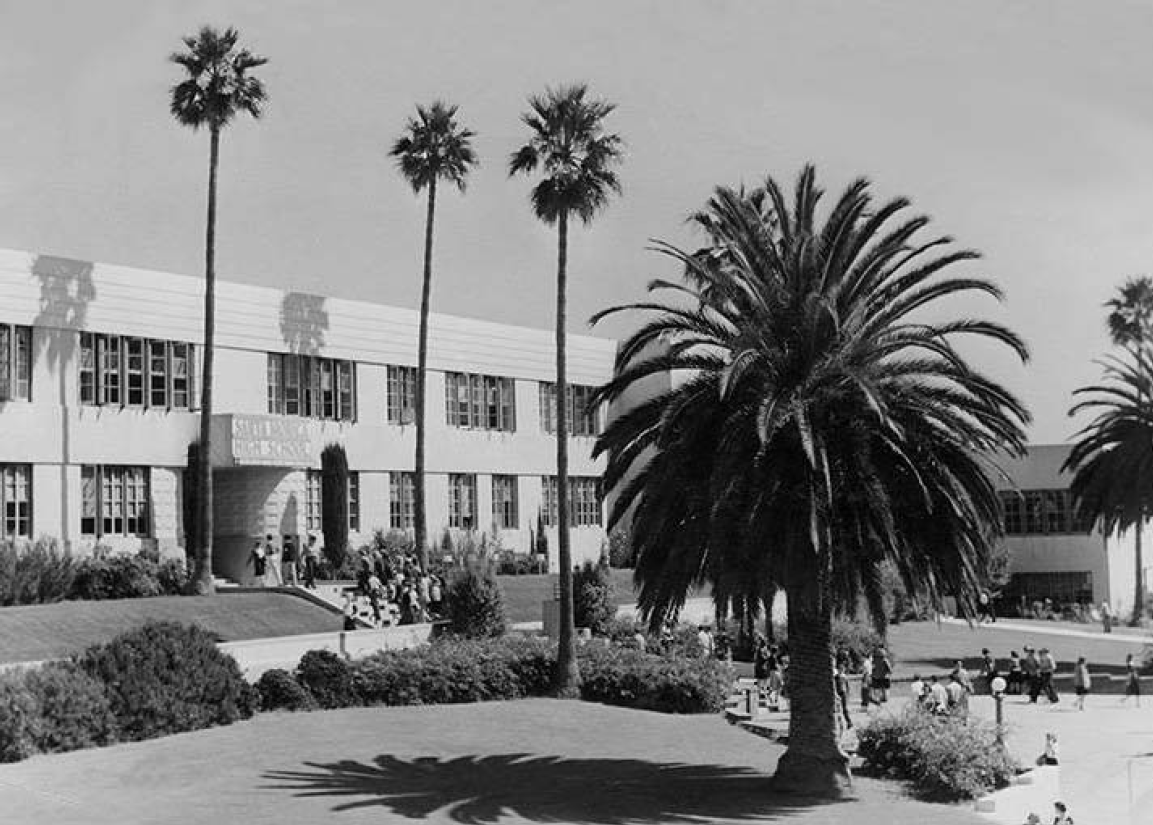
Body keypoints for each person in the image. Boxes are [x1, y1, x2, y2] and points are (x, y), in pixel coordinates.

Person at [834, 665, 852, 731]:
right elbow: (834, 686)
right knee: (838, 710)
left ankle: (849, 722)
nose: (841, 670)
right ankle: (839, 724)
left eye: (842, 669)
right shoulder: (836, 677)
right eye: (839, 669)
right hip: (837, 694)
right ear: (838, 669)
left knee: (845, 709)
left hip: (843, 693)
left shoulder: (844, 677)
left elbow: (847, 686)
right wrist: (836, 695)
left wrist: (848, 694)